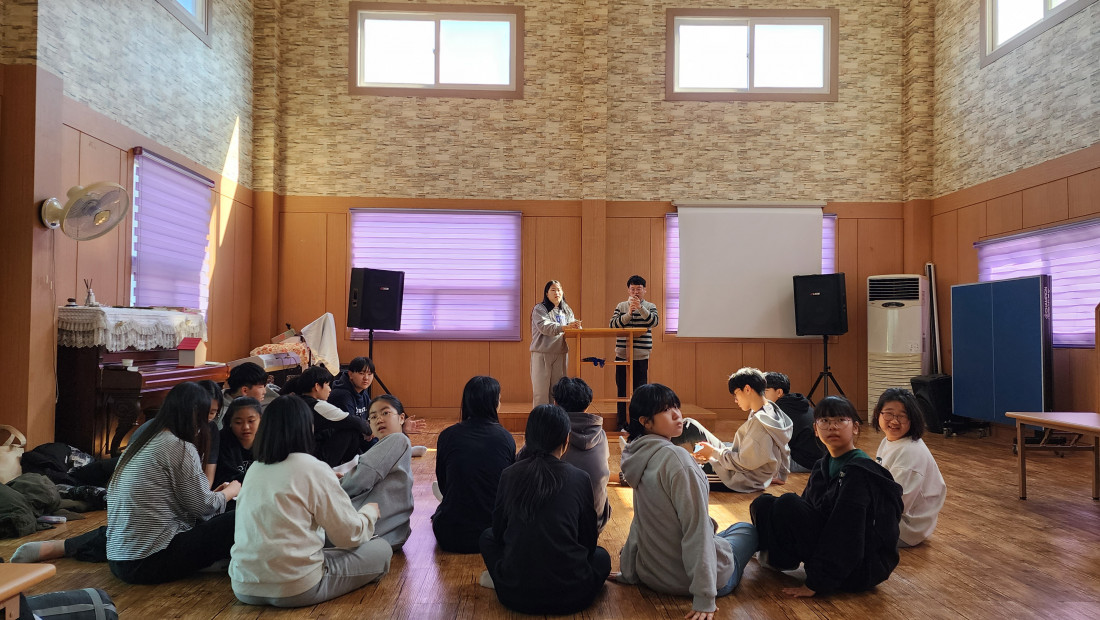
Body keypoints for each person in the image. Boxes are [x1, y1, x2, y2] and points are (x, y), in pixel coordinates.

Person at [229, 394, 393, 607]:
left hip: (243, 586)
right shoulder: (313, 467)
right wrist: (369, 513)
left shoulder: (254, 469)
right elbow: (349, 535)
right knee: (381, 549)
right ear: (307, 428)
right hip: (296, 587)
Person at [615, 384, 757, 620]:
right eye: (665, 410)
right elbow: (696, 529)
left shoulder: (637, 455)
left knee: (724, 534)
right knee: (747, 530)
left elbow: (640, 521)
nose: (677, 415)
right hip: (689, 584)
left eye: (676, 407)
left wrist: (628, 573)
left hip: (653, 576)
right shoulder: (676, 459)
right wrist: (704, 597)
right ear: (645, 421)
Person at [750, 395, 904, 597]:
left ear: (855, 427)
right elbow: (807, 512)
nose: (832, 427)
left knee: (788, 502)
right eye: (825, 421)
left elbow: (848, 532)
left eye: (841, 420)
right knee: (763, 503)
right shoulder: (822, 465)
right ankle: (777, 559)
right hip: (832, 551)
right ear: (815, 429)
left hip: (859, 568)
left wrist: (816, 583)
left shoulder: (859, 471)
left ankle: (801, 565)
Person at [479, 404, 611, 614]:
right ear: (566, 440)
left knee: (486, 537)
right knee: (602, 557)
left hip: (515, 595)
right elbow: (588, 540)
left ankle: (502, 577)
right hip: (574, 596)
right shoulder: (580, 478)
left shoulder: (509, 474)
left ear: (528, 438)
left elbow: (498, 531)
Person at [106, 382, 241, 584]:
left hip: (119, 559)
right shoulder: (178, 446)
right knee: (240, 517)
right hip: (148, 560)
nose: (206, 424)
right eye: (205, 416)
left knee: (224, 510)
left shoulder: (146, 440)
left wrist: (218, 495)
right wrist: (231, 491)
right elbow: (203, 507)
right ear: (193, 413)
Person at [432, 376, 516, 553]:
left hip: (450, 535)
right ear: (494, 403)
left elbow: (443, 483)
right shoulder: (505, 438)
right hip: (494, 533)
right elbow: (507, 489)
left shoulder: (447, 436)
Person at [684, 367, 793, 492]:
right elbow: (784, 445)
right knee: (689, 424)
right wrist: (783, 474)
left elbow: (742, 463)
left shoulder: (760, 423)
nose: (735, 400)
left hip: (739, 478)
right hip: (738, 466)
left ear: (747, 389)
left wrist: (713, 453)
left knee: (682, 471)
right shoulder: (771, 409)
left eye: (736, 394)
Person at [872, 388, 946, 547]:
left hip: (904, 527)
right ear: (878, 414)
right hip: (891, 516)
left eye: (902, 416)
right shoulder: (889, 440)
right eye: (888, 414)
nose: (894, 421)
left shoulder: (910, 452)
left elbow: (898, 505)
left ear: (913, 419)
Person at [341, 394, 415, 550]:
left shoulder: (398, 439)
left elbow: (359, 480)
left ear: (401, 418)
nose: (379, 419)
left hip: (365, 530)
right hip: (388, 534)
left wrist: (331, 486)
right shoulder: (398, 443)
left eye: (385, 413)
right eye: (373, 417)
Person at [552, 376, 611, 532]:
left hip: (560, 527)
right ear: (587, 405)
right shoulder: (601, 434)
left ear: (555, 403)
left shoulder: (553, 433)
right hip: (596, 522)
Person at [285, 365, 372, 467]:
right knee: (351, 430)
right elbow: (354, 421)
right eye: (328, 385)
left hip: (295, 457)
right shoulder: (318, 405)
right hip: (315, 460)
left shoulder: (296, 402)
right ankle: (358, 467)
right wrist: (370, 431)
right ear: (317, 386)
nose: (330, 389)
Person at [328, 356, 426, 442]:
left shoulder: (362, 392)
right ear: (350, 374)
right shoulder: (341, 395)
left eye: (370, 374)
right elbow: (351, 427)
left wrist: (400, 426)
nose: (366, 378)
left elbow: (373, 419)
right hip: (345, 444)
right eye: (361, 373)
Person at [609, 275, 659, 430]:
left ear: (645, 290)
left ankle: (638, 425)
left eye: (639, 289)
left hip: (641, 355)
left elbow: (654, 322)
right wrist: (629, 314)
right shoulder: (621, 306)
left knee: (640, 391)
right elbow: (613, 325)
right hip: (622, 355)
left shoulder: (650, 306)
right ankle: (621, 424)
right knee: (622, 390)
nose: (636, 292)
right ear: (628, 291)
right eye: (633, 289)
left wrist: (640, 309)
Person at [530, 280, 581, 406]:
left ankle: (558, 417)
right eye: (553, 290)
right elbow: (545, 327)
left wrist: (576, 326)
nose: (556, 293)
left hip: (560, 353)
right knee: (541, 392)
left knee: (559, 391)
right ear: (546, 293)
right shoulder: (540, 309)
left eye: (559, 290)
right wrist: (564, 327)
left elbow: (572, 326)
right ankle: (542, 418)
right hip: (542, 353)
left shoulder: (566, 310)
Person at [764, 372, 824, 473]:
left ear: (779, 392)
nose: (761, 395)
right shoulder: (797, 402)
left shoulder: (780, 410)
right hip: (819, 461)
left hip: (804, 463)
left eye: (765, 391)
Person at [213, 397, 262, 488]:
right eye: (238, 422)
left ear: (261, 419)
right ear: (230, 422)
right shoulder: (221, 441)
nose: (246, 427)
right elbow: (225, 478)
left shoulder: (268, 440)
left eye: (251, 421)